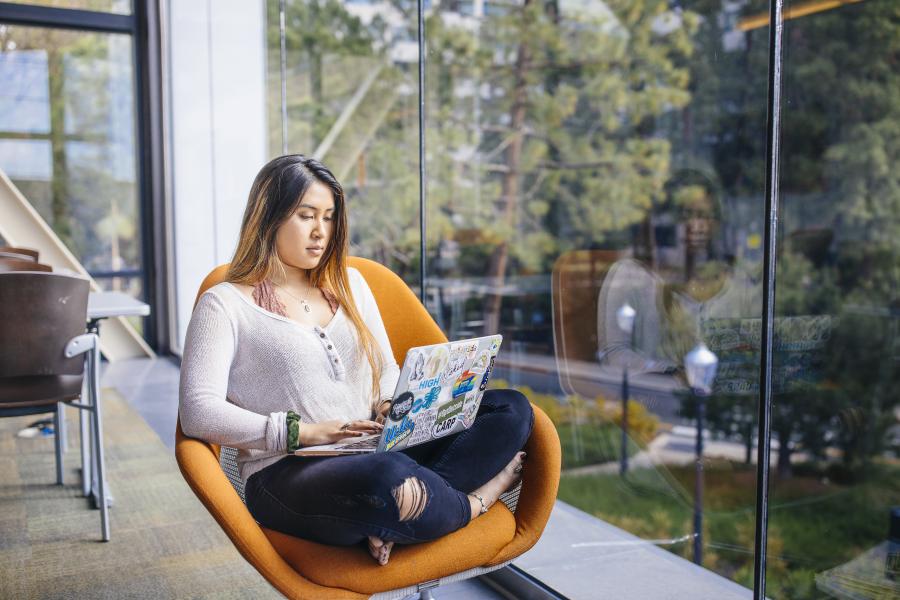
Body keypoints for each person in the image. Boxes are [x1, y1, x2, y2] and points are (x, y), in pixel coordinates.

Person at [179, 154, 533, 566]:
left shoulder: (349, 284)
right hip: (289, 473)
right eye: (306, 216)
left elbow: (384, 369)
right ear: (268, 216)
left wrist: (389, 407)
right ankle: (474, 503)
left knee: (510, 410)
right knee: (387, 480)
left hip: (377, 447)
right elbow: (198, 412)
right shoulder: (224, 304)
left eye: (329, 218)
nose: (320, 232)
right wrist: (305, 433)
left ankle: (401, 515)